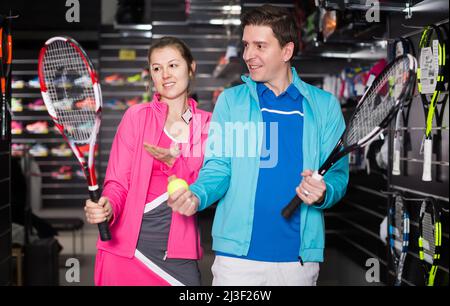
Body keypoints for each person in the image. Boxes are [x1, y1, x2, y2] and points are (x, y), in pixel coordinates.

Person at [168, 5, 349, 286]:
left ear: (286, 51)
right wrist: (198, 194)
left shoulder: (324, 106)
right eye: (246, 45)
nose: (248, 55)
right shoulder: (231, 102)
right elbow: (219, 166)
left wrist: (325, 191)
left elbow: (338, 175)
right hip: (237, 261)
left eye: (260, 46)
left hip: (297, 261)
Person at [84, 37, 212, 286]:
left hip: (177, 252)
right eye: (157, 68)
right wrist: (108, 205)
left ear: (191, 67)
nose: (165, 74)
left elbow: (205, 185)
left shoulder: (207, 125)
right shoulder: (135, 117)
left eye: (173, 65)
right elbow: (117, 183)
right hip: (124, 249)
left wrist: (173, 164)